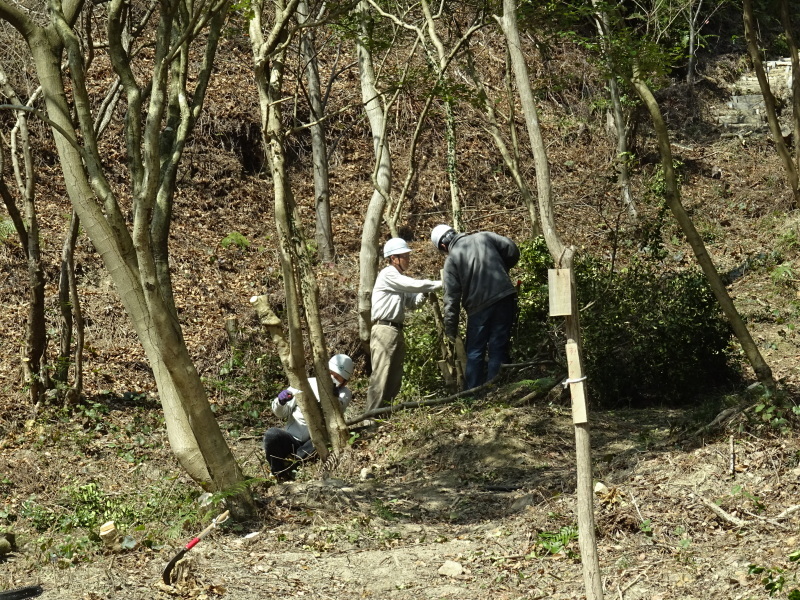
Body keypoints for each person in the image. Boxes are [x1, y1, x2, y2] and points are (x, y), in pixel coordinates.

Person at [431, 224, 520, 390]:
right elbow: (513, 249)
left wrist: (450, 329)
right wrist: (502, 268)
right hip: (504, 296)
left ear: (443, 246)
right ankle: (496, 390)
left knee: (475, 351)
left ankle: (473, 394)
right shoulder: (485, 237)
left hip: (479, 307)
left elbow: (451, 299)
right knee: (498, 345)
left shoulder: (452, 259)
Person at [365, 238, 442, 413]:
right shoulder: (388, 274)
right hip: (384, 330)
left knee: (394, 377)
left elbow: (413, 303)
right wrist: (441, 283)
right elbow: (414, 285)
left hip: (395, 329)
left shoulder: (398, 279)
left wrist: (425, 292)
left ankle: (384, 416)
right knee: (381, 376)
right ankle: (370, 418)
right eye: (405, 256)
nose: (408, 259)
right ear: (394, 258)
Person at [262, 354, 354, 481]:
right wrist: (280, 401)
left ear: (345, 381)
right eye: (331, 373)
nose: (332, 378)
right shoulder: (306, 384)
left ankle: (294, 467)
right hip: (292, 438)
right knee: (272, 435)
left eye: (338, 377)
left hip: (314, 441)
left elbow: (340, 407)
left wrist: (333, 397)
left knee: (322, 439)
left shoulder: (344, 393)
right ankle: (277, 472)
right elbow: (281, 413)